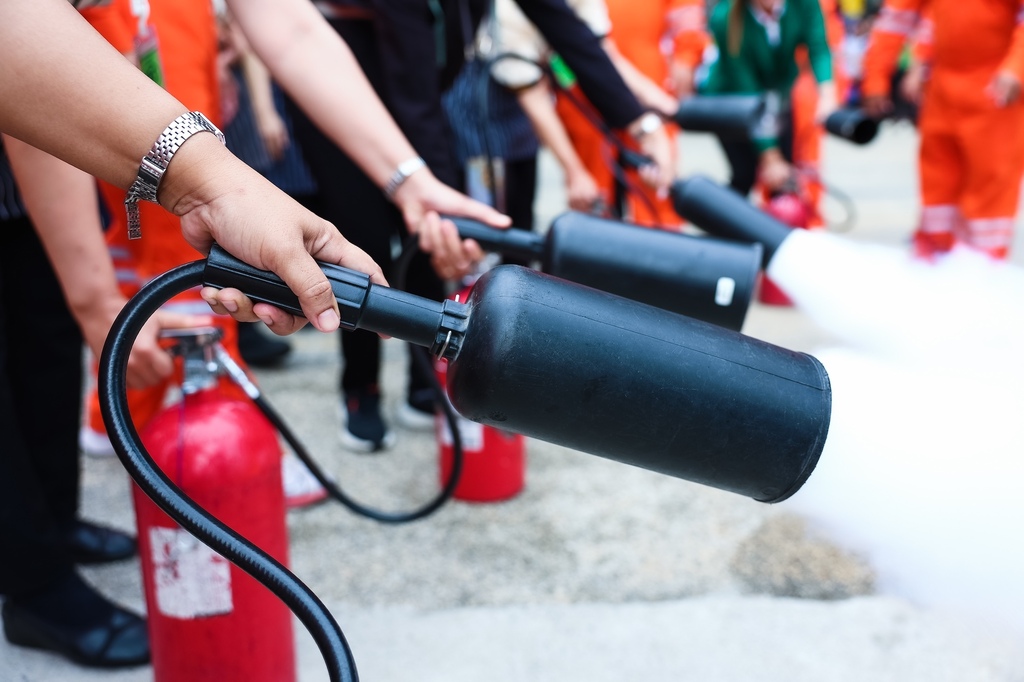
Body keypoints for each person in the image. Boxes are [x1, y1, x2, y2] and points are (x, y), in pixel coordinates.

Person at [1, 0, 510, 667]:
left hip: (56, 137)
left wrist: (408, 180)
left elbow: (290, 26)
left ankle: (55, 523)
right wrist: (102, 293)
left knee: (40, 338)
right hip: (35, 109)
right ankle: (32, 580)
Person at [290, 0, 677, 451]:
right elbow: (412, 92)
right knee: (363, 238)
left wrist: (640, 123)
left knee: (428, 246)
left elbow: (561, 23)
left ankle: (422, 378)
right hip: (340, 87)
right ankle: (361, 387)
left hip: (424, 90)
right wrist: (433, 196)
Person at [860, 0, 1024, 260]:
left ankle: (981, 266)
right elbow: (896, 19)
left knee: (989, 190)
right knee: (937, 186)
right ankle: (934, 257)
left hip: (996, 92)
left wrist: (1016, 68)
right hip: (943, 88)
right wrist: (876, 78)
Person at [699, 0, 838, 198]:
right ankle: (718, 214)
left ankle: (780, 215)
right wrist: (769, 154)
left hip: (777, 92)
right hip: (732, 101)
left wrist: (827, 94)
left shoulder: (803, 4)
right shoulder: (726, 17)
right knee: (745, 174)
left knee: (785, 173)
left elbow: (819, 47)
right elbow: (747, 90)